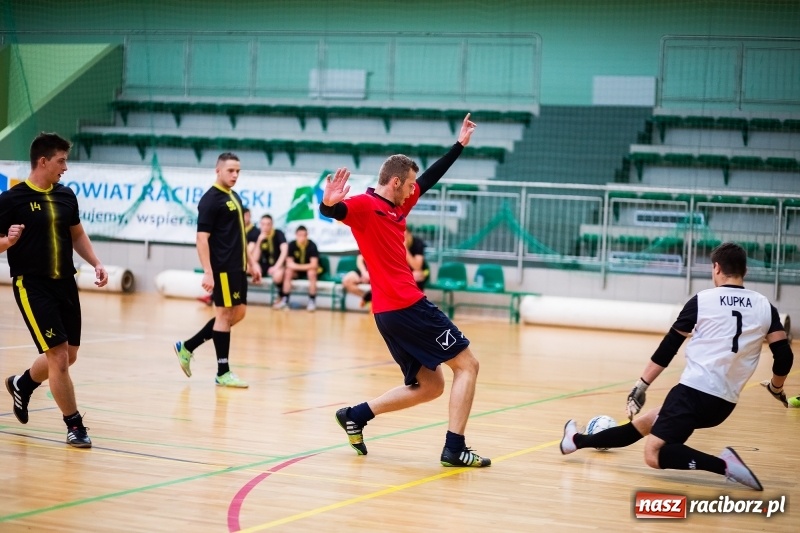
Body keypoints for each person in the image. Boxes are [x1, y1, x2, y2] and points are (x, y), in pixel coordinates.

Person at [320, 113, 490, 467]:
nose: (415, 190)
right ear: (395, 182)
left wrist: (459, 145)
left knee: (430, 386)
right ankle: (455, 447)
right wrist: (329, 204)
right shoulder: (367, 207)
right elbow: (337, 211)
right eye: (410, 185)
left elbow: (429, 177)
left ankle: (356, 414)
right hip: (407, 306)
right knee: (468, 365)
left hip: (389, 313)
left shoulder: (398, 206)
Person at [560, 242, 794, 490]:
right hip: (724, 404)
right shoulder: (765, 307)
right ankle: (575, 441)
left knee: (654, 454)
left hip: (693, 392)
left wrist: (642, 385)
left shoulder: (702, 300)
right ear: (745, 270)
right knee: (646, 422)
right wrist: (776, 388)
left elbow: (669, 347)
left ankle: (724, 465)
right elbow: (784, 357)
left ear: (716, 268)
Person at [0, 132, 108, 448]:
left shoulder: (66, 196)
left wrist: (96, 262)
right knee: (58, 357)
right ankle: (74, 425)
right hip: (32, 286)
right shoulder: (10, 200)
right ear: (43, 161)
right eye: (61, 160)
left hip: (66, 283)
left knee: (68, 356)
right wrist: (7, 242)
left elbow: (77, 235)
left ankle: (23, 383)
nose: (66, 167)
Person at [173, 152, 261, 388]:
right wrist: (208, 271)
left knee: (238, 314)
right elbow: (202, 238)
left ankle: (188, 347)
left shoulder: (234, 197)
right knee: (224, 316)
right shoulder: (210, 200)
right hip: (222, 268)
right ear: (218, 170)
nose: (235, 175)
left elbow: (240, 235)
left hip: (238, 267)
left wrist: (251, 262)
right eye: (231, 170)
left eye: (238, 171)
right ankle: (223, 371)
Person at [273, 225, 323, 312]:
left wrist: (296, 266)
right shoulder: (292, 245)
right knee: (288, 272)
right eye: (300, 235)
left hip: (308, 271)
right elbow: (289, 264)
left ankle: (312, 301)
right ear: (296, 235)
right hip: (296, 271)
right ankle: (285, 300)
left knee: (312, 273)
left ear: (307, 235)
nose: (302, 237)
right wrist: (295, 266)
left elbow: (314, 265)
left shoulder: (312, 245)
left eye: (304, 235)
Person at [251, 214, 288, 288]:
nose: (265, 227)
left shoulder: (278, 233)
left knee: (278, 276)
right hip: (263, 265)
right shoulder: (257, 234)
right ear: (260, 225)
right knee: (252, 269)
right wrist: (259, 241)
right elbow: (255, 259)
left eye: (268, 224)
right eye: (263, 224)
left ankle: (281, 295)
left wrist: (276, 267)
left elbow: (284, 251)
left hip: (276, 264)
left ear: (272, 224)